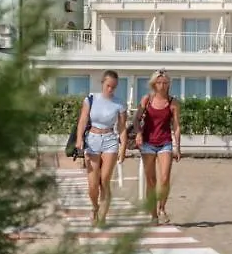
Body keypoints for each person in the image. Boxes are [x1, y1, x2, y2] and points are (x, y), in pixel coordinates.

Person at [74, 70, 127, 226]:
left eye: (114, 87)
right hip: (92, 140)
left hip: (110, 140)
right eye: (108, 85)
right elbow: (83, 120)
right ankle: (95, 207)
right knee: (92, 185)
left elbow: (122, 128)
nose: (110, 89)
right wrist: (79, 139)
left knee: (104, 180)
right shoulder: (91, 99)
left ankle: (102, 218)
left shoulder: (119, 103)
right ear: (102, 83)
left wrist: (123, 147)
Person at [136, 69, 180, 224]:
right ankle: (153, 215)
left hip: (165, 142)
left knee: (165, 178)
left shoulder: (173, 103)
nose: (162, 85)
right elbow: (136, 119)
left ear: (169, 84)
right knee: (151, 181)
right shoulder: (147, 99)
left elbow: (176, 126)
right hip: (147, 143)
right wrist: (139, 133)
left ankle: (162, 208)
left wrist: (178, 147)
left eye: (165, 83)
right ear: (154, 84)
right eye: (159, 82)